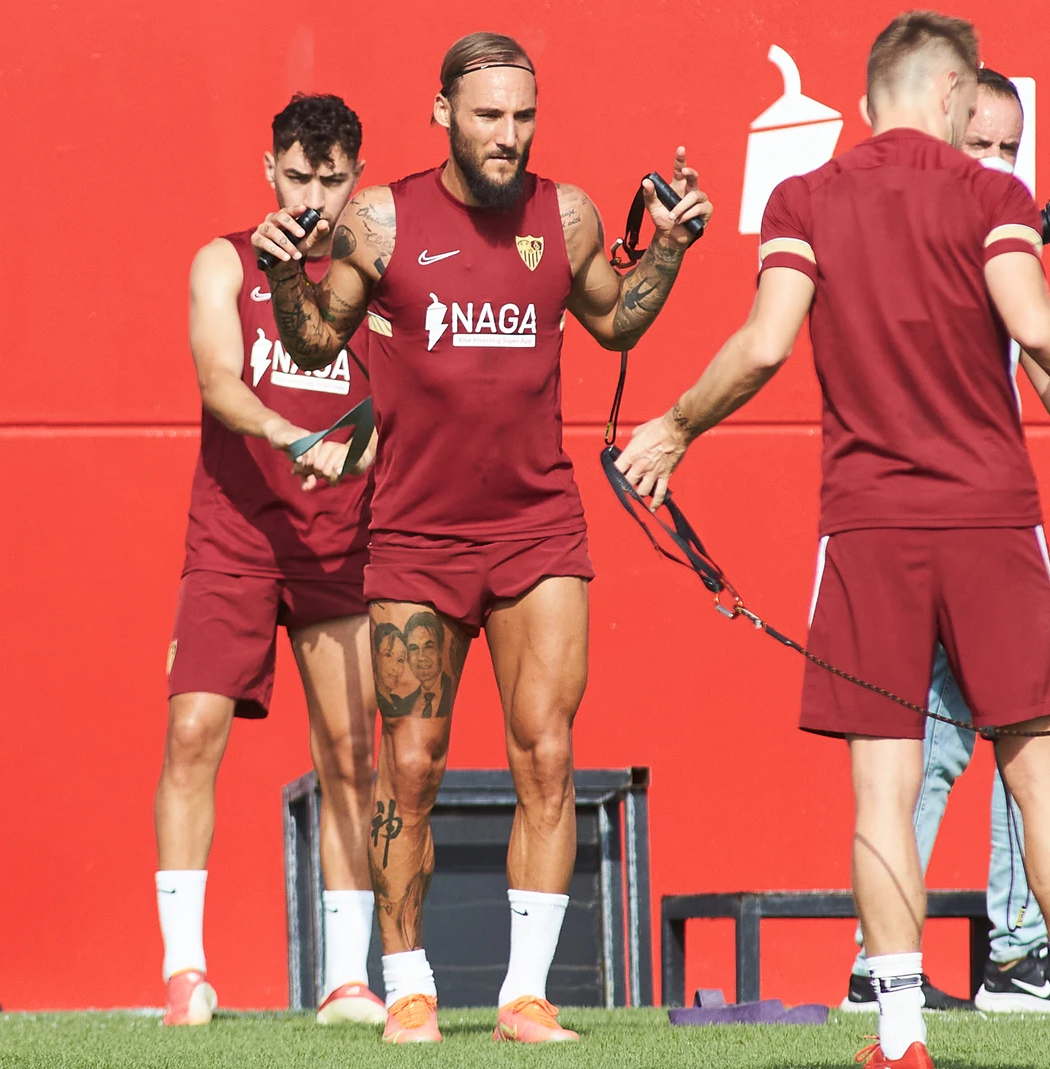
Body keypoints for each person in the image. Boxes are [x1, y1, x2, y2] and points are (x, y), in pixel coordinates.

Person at [615, 13, 1050, 1069]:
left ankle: (898, 1035)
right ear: (953, 96)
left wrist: (676, 426)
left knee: (881, 790)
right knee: (1042, 778)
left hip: (869, 526)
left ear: (870, 94)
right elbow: (1042, 332)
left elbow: (763, 344)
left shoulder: (804, 200)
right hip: (991, 521)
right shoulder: (991, 197)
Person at [253, 31, 712, 1046]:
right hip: (416, 537)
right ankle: (409, 985)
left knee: (547, 755)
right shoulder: (381, 220)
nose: (508, 136)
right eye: (488, 115)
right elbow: (316, 341)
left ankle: (524, 997)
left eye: (523, 116)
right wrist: (285, 274)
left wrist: (671, 247)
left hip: (538, 526)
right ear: (443, 113)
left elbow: (615, 319)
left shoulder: (571, 214)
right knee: (407, 767)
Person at [838, 66, 1050, 1016]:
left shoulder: (998, 238)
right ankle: (964, 965)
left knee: (984, 741)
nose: (993, 163)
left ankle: (970, 962)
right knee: (940, 748)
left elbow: (1049, 367)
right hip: (925, 528)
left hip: (963, 531)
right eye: (975, 142)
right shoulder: (884, 231)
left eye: (1008, 147)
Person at [156, 92, 385, 1028]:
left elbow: (392, 413)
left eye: (332, 181)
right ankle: (185, 973)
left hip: (338, 542)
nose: (314, 199)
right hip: (237, 535)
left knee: (349, 754)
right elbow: (218, 380)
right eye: (299, 176)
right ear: (269, 170)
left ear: (356, 179)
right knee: (193, 733)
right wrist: (293, 434)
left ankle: (345, 980)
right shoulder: (224, 260)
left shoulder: (374, 275)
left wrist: (354, 449)